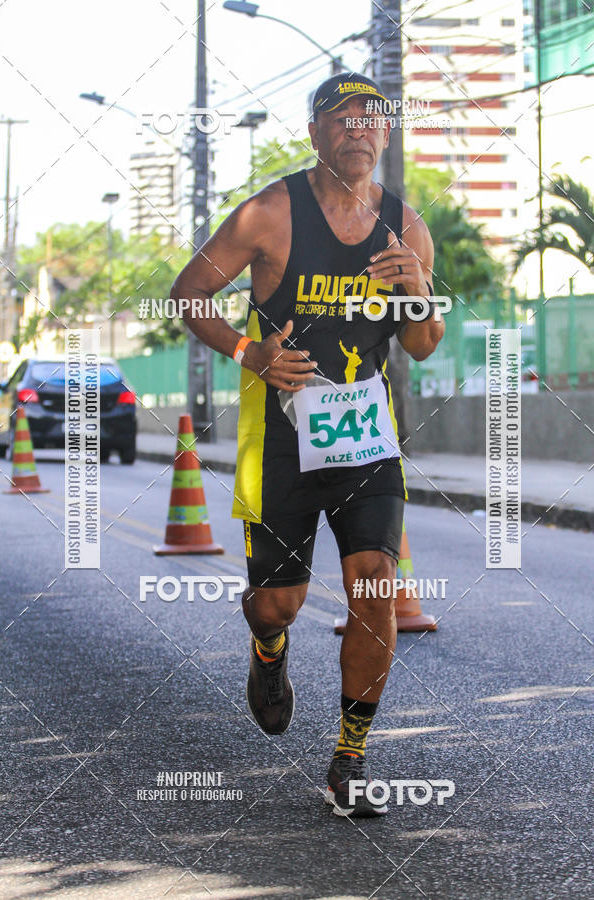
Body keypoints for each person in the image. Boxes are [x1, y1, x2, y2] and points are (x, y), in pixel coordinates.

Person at [173, 72, 444, 817]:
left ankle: (350, 759)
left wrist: (417, 286)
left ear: (385, 136)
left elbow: (422, 343)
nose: (359, 128)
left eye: (372, 118)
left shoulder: (406, 227)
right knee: (277, 604)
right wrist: (247, 352)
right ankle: (268, 652)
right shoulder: (270, 212)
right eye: (342, 117)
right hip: (284, 442)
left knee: (374, 584)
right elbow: (189, 292)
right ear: (316, 132)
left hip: (365, 440)